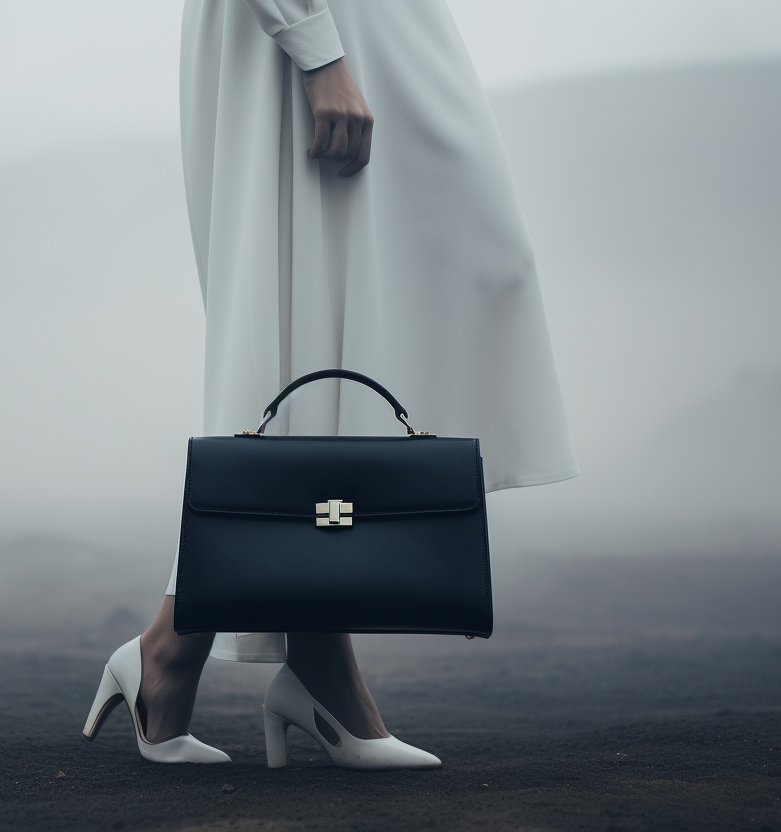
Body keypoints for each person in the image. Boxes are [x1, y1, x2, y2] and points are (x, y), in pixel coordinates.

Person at [83, 0, 579, 769]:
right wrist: (315, 46)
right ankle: (245, 660)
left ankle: (221, 652)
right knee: (298, 335)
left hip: (385, 27)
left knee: (416, 294)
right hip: (310, 31)